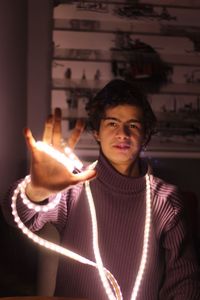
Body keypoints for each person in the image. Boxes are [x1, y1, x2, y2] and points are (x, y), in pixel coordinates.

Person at [1, 79, 200, 300]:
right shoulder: (72, 185)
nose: (122, 133)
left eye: (133, 125)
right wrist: (36, 192)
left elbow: (185, 281)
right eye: (112, 123)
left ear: (145, 135)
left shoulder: (167, 201)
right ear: (96, 132)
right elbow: (17, 216)